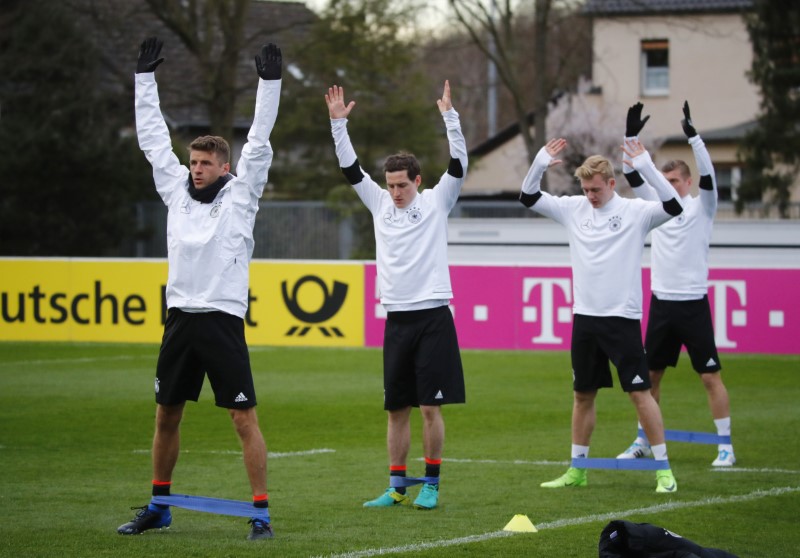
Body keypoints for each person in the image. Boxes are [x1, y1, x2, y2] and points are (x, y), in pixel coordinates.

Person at [116, 37, 282, 540]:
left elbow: (258, 141)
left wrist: (269, 84)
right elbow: (150, 141)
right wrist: (144, 80)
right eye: (192, 163)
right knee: (166, 413)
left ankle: (260, 512)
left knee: (242, 417)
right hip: (179, 318)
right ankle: (159, 504)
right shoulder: (176, 192)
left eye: (205, 164)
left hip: (222, 318)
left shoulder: (241, 195)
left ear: (223, 167)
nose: (196, 169)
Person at [324, 81, 467, 510]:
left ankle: (432, 484)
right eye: (389, 185)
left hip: (434, 317)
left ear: (418, 181)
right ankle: (396, 486)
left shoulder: (438, 200)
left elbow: (459, 163)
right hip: (397, 320)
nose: (395, 192)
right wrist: (338, 125)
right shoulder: (379, 203)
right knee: (396, 410)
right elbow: (350, 169)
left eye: (402, 185)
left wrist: (450, 118)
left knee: (428, 409)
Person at [519, 137, 683, 493]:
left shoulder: (635, 212)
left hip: (621, 319)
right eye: (586, 189)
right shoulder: (574, 208)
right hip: (585, 319)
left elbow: (674, 206)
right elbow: (528, 196)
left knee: (640, 394)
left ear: (611, 184)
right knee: (582, 395)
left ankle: (664, 470)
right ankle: (577, 470)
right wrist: (539, 163)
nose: (590, 195)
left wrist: (646, 167)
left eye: (596, 189)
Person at [617, 102, 735, 467]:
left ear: (687, 182)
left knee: (709, 376)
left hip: (693, 304)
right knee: (649, 377)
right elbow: (631, 173)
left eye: (674, 182)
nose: (668, 188)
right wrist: (630, 134)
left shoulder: (704, 207)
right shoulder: (657, 205)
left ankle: (725, 446)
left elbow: (711, 176)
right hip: (662, 305)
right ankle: (642, 441)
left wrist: (695, 138)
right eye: (664, 183)